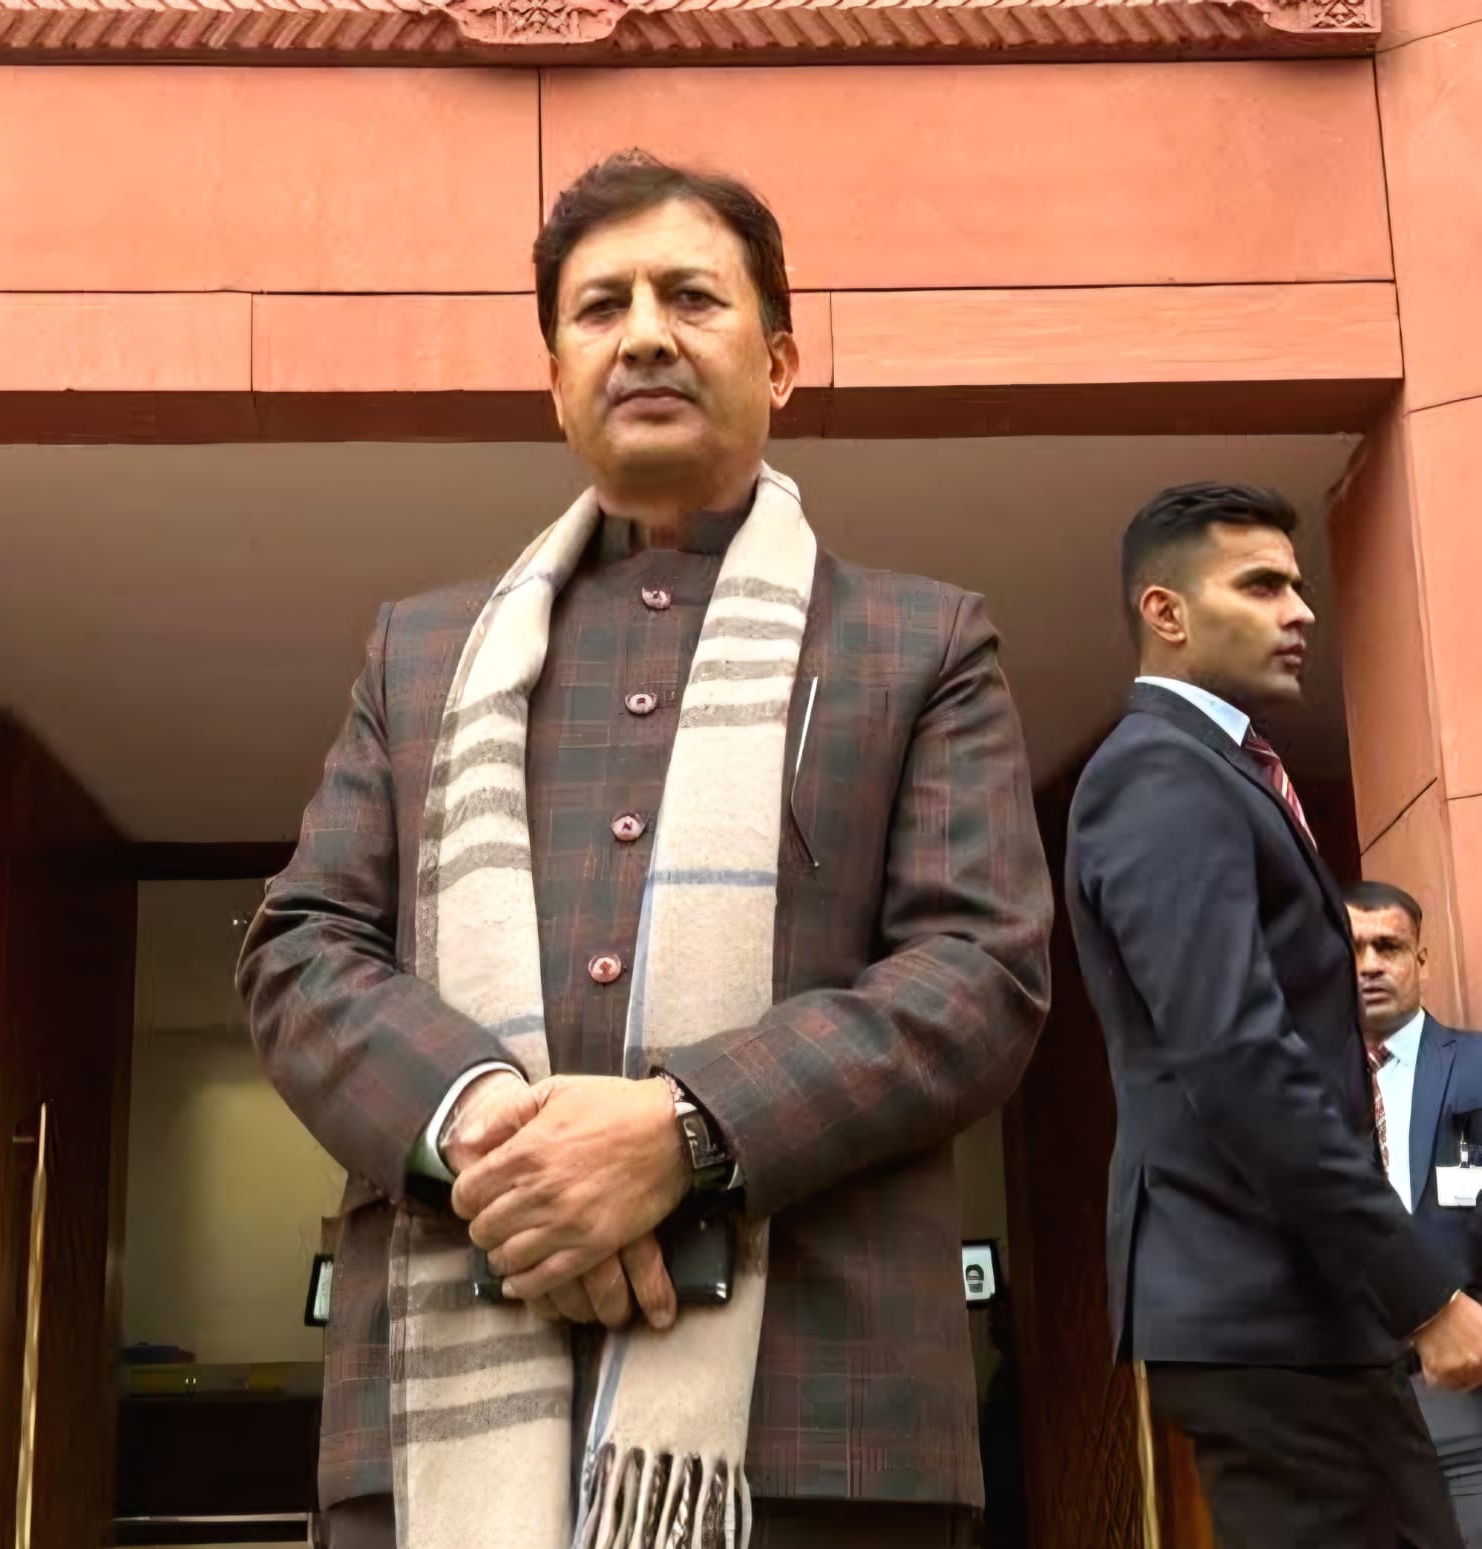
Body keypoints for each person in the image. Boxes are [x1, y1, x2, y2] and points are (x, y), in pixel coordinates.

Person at [237, 150, 1052, 1549]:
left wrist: (684, 1133)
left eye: (692, 297)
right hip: (440, 1417)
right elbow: (302, 949)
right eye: (601, 307)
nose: (646, 336)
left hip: (817, 1425)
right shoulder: (419, 654)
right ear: (555, 379)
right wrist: (497, 1139)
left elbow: (979, 973)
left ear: (780, 360)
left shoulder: (921, 642)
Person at [1065, 480, 1482, 1549]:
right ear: (1166, 612)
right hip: (1259, 1303)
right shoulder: (1160, 771)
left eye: (1298, 586)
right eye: (1260, 585)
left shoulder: (1219, 767)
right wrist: (1423, 1294)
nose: (1301, 611)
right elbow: (1240, 1059)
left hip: (1297, 1306)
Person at [1348, 879, 1482, 1546]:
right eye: (1353, 950)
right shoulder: (1300, 1092)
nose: (1370, 964)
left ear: (1421, 960)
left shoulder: (1477, 1069)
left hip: (1462, 1391)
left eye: (1389, 946)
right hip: (1346, 1409)